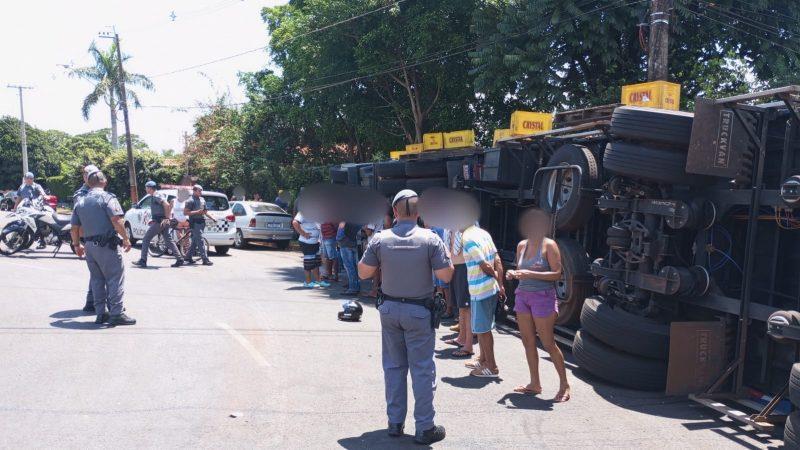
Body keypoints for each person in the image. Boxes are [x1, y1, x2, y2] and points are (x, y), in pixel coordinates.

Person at [358, 189, 453, 445]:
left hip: (389, 310)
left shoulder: (380, 239)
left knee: (393, 367)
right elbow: (445, 276)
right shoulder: (431, 239)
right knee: (422, 370)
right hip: (419, 312)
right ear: (420, 212)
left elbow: (364, 273)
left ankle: (394, 423)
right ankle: (424, 428)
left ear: (395, 212)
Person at [506, 208, 571, 402]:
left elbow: (557, 274)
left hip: (543, 297)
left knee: (548, 342)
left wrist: (529, 274)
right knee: (527, 341)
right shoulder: (522, 245)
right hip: (523, 296)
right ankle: (535, 383)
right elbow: (520, 270)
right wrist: (513, 274)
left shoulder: (549, 246)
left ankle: (565, 384)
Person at [69, 170, 136, 326]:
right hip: (107, 245)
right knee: (115, 278)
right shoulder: (107, 198)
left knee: (97, 279)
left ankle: (101, 313)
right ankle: (117, 313)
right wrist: (126, 238)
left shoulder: (81, 201)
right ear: (103, 181)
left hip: (89, 246)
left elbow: (74, 227)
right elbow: (116, 219)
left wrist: (76, 245)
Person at [462, 223, 505, 377]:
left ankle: (491, 367)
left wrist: (493, 275)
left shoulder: (467, 238)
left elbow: (485, 265)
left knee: (483, 329)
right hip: (489, 288)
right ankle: (483, 359)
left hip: (480, 290)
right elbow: (497, 260)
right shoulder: (484, 233)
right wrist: (499, 283)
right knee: (482, 328)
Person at [133, 181, 183, 268]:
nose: (145, 189)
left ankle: (143, 260)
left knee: (146, 239)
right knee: (168, 241)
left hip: (160, 222)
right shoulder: (155, 195)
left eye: (146, 187)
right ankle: (179, 259)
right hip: (160, 221)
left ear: (150, 188)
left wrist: (166, 218)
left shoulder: (156, 195)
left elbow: (167, 205)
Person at [445, 227, 474, 358]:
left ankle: (468, 344)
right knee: (461, 307)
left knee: (466, 307)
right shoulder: (449, 226)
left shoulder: (467, 223)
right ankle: (461, 338)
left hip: (464, 266)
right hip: (454, 266)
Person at [75, 164, 99, 313]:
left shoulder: (95, 191)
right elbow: (78, 218)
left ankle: (91, 302)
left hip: (95, 234)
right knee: (100, 271)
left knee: (97, 271)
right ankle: (97, 304)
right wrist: (77, 242)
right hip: (91, 235)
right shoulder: (82, 194)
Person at [292, 211, 329, 288]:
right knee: (308, 262)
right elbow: (295, 223)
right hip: (306, 242)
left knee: (316, 262)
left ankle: (318, 281)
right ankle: (308, 282)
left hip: (315, 242)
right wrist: (303, 233)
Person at [15, 171, 48, 248]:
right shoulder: (21, 187)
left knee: (38, 224)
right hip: (24, 209)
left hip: (34, 209)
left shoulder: (37, 186)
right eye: (27, 178)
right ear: (25, 179)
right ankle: (19, 240)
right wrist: (15, 207)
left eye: (31, 178)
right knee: (21, 224)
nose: (29, 180)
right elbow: (19, 198)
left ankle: (42, 242)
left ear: (33, 179)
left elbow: (42, 193)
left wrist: (42, 196)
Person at [184, 184, 214, 266]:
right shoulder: (190, 200)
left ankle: (188, 257)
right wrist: (197, 212)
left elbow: (204, 211)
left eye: (201, 190)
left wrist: (212, 218)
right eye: (199, 191)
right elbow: (185, 212)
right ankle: (205, 259)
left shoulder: (202, 199)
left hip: (202, 222)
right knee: (200, 241)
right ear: (194, 191)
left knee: (195, 241)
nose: (201, 192)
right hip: (194, 223)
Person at [337, 222, 361, 296]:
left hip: (345, 243)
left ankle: (353, 288)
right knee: (353, 266)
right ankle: (355, 286)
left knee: (349, 266)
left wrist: (338, 238)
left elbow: (341, 226)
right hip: (352, 242)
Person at [171, 186, 191, 256]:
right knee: (180, 237)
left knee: (187, 237)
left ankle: (186, 251)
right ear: (178, 193)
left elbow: (189, 210)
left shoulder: (187, 201)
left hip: (185, 220)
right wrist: (170, 218)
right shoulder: (173, 201)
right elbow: (170, 210)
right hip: (177, 220)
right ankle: (183, 248)